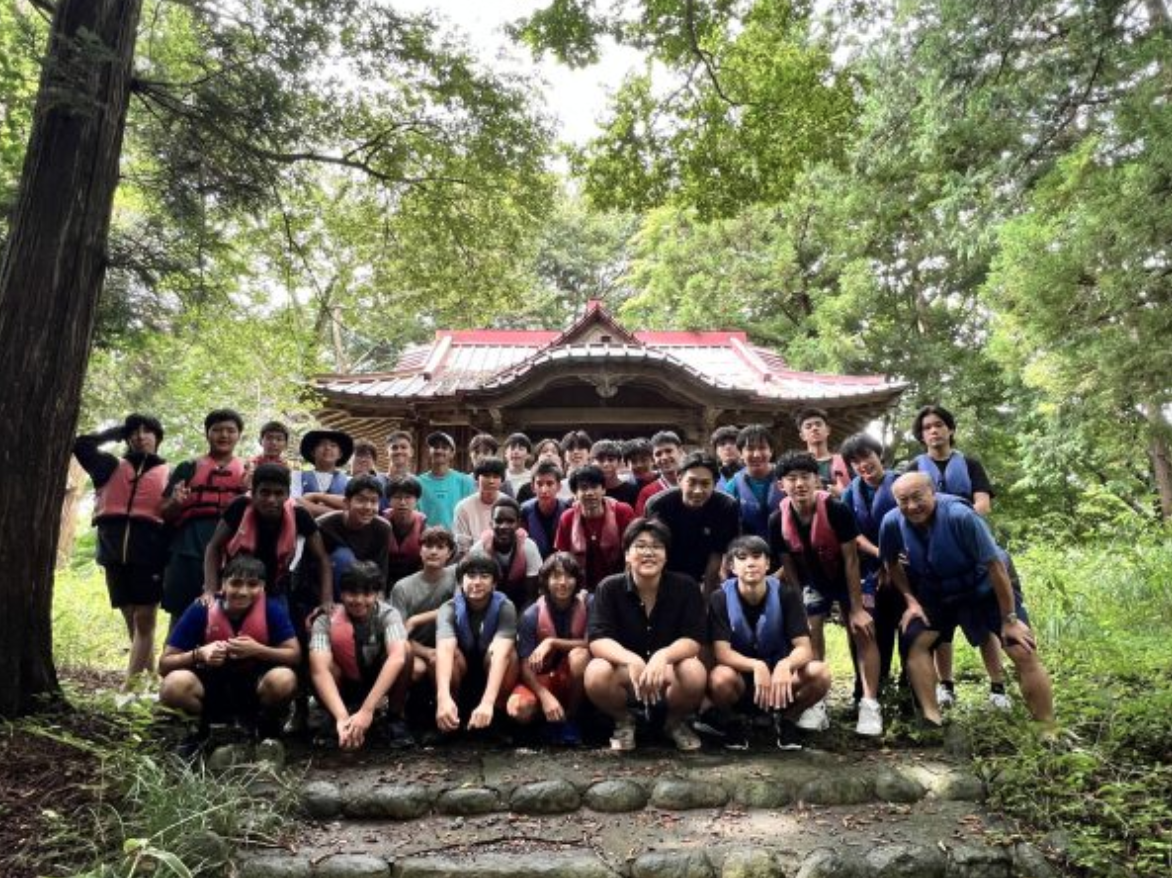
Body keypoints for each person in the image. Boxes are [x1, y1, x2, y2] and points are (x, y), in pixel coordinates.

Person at [879, 473, 1055, 726]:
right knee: (915, 641)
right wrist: (912, 602)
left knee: (1021, 647)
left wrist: (1010, 619)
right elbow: (890, 562)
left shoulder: (960, 516)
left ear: (933, 493)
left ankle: (1047, 727)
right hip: (938, 591)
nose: (911, 506)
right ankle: (931, 717)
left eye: (918, 497)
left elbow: (995, 566)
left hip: (985, 586)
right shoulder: (892, 522)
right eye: (903, 500)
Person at [769, 452, 883, 737]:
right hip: (813, 580)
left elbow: (851, 560)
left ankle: (870, 703)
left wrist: (856, 607)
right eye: (792, 479)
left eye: (805, 477)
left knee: (863, 631)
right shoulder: (776, 520)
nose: (799, 484)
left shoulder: (836, 509)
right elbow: (789, 568)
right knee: (810, 632)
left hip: (850, 577)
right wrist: (797, 611)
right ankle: (817, 704)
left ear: (816, 480)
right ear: (781, 485)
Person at [904, 404, 1004, 709]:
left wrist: (957, 526)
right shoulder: (914, 468)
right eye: (926, 427)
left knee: (985, 627)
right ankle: (945, 686)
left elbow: (983, 503)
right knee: (941, 631)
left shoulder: (970, 464)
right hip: (930, 560)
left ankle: (998, 688)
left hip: (969, 551)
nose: (933, 431)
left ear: (950, 429)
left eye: (938, 425)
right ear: (921, 435)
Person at [585, 518, 707, 752]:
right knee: (596, 671)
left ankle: (674, 723)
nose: (649, 553)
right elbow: (598, 639)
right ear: (627, 554)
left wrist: (663, 656)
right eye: (640, 546)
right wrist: (630, 659)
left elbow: (692, 639)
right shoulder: (609, 587)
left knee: (694, 670)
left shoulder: (686, 587)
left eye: (657, 547)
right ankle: (623, 720)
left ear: (666, 555)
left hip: (668, 674)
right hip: (625, 674)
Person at [705, 536, 832, 750]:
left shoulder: (786, 595)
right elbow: (721, 653)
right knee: (719, 677)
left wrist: (785, 665)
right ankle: (733, 721)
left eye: (757, 557)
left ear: (768, 563)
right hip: (741, 683)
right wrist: (756, 666)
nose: (751, 563)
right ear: (731, 566)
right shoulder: (720, 598)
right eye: (742, 558)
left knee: (819, 673)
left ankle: (788, 720)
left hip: (780, 684)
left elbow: (804, 648)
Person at [159, 555, 300, 740]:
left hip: (254, 687)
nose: (243, 591)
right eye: (235, 583)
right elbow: (164, 665)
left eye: (252, 584)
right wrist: (198, 654)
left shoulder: (271, 610)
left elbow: (294, 655)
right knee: (173, 685)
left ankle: (265, 726)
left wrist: (259, 650)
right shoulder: (201, 609)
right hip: (210, 686)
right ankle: (197, 728)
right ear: (223, 584)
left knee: (284, 679)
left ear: (262, 587)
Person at [73, 413, 169, 684]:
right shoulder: (108, 467)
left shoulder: (169, 472)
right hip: (113, 553)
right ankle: (148, 679)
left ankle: (129, 688)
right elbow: (81, 444)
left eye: (147, 431)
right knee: (132, 619)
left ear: (158, 438)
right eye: (134, 432)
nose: (141, 436)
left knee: (144, 619)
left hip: (149, 554)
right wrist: (116, 431)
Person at [309, 561, 411, 749]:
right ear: (341, 594)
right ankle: (334, 719)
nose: (359, 600)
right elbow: (319, 671)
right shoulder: (324, 620)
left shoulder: (389, 615)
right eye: (352, 593)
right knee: (323, 663)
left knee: (405, 650)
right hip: (343, 685)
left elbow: (396, 658)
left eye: (367, 593)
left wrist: (367, 710)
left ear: (377, 595)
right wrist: (342, 718)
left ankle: (395, 718)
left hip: (376, 682)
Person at [202, 463, 333, 610]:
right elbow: (213, 546)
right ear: (253, 493)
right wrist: (210, 591)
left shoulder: (299, 514)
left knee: (281, 628)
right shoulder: (239, 507)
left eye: (278, 493)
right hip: (236, 587)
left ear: (288, 494)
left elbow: (322, 558)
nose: (271, 499)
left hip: (275, 589)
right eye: (265, 492)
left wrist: (326, 600)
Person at [161, 409, 248, 625]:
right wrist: (175, 502)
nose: (224, 435)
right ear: (207, 434)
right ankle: (175, 655)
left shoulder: (249, 471)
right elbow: (165, 512)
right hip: (188, 546)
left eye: (230, 430)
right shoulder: (187, 468)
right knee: (182, 612)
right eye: (217, 430)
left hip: (232, 548)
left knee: (231, 612)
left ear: (239, 435)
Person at [839, 433, 903, 696]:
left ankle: (909, 692)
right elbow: (849, 534)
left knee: (909, 631)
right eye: (855, 461)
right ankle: (867, 688)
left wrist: (892, 562)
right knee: (871, 629)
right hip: (869, 571)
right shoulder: (849, 493)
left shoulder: (901, 483)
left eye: (867, 456)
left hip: (906, 568)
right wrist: (881, 555)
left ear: (880, 455)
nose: (862, 464)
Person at [506, 552, 591, 745]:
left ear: (577, 580)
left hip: (575, 680)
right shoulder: (531, 614)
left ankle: (572, 719)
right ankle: (545, 723)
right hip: (543, 679)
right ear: (546, 580)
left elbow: (594, 643)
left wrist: (552, 642)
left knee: (580, 655)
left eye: (569, 576)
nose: (563, 582)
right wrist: (544, 696)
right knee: (518, 708)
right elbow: (525, 665)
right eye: (556, 576)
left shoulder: (589, 604)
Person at [434, 553, 520, 734]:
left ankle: (497, 716)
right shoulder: (448, 609)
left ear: (494, 583)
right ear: (461, 582)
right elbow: (445, 649)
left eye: (484, 576)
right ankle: (452, 716)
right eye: (471, 576)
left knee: (510, 656)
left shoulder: (505, 607)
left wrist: (488, 703)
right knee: (441, 657)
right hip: (462, 675)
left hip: (491, 674)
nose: (477, 582)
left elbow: (502, 654)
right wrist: (443, 698)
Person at [645, 451, 741, 593]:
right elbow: (654, 549)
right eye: (692, 482)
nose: (697, 491)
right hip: (666, 570)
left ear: (715, 483)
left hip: (705, 571)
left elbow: (717, 552)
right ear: (679, 479)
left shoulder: (726, 506)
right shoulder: (658, 505)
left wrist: (707, 595)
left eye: (705, 484)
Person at [389, 526, 458, 714]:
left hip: (449, 643)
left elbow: (460, 604)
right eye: (428, 546)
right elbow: (398, 634)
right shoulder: (402, 587)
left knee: (446, 661)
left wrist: (417, 619)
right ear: (420, 550)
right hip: (415, 647)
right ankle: (404, 712)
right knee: (417, 669)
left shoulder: (457, 575)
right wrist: (426, 652)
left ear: (450, 552)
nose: (433, 551)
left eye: (440, 546)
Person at [554, 464, 636, 592]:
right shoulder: (567, 517)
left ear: (603, 489)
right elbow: (563, 558)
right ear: (575, 493)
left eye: (594, 487)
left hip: (621, 584)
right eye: (583, 488)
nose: (590, 493)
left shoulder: (622, 511)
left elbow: (633, 550)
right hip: (581, 587)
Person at [316, 474, 392, 586]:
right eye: (361, 500)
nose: (368, 507)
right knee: (342, 556)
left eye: (374, 501)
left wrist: (377, 600)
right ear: (347, 503)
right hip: (330, 583)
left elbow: (381, 570)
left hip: (364, 587)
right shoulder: (324, 525)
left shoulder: (383, 528)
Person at [474, 497, 542, 609]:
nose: (504, 527)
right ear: (491, 523)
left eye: (510, 521)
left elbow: (532, 595)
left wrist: (522, 620)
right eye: (499, 521)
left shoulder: (528, 547)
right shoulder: (479, 549)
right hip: (488, 602)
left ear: (519, 524)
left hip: (521, 601)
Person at [720, 424, 785, 539]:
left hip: (786, 549)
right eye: (750, 449)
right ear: (740, 453)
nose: (756, 454)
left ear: (771, 451)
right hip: (750, 550)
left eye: (762, 448)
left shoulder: (785, 477)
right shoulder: (734, 485)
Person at [417, 431, 475, 530]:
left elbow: (470, 514)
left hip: (457, 541)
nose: (439, 451)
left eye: (444, 448)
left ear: (452, 454)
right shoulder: (417, 483)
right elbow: (416, 517)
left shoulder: (465, 482)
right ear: (429, 452)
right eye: (435, 447)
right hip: (428, 541)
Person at [453, 456, 507, 555]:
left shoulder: (508, 505)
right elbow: (463, 547)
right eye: (486, 476)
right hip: (472, 561)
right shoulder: (463, 507)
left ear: (502, 480)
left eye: (496, 477)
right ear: (477, 478)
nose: (491, 481)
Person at [794, 407, 851, 496]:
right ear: (802, 436)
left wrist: (842, 493)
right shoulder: (796, 464)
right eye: (808, 427)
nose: (814, 428)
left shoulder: (844, 461)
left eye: (818, 424)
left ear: (828, 430)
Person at [383, 474, 428, 588]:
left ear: (416, 500)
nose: (402, 502)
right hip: (383, 577)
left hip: (413, 580)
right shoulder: (380, 522)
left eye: (408, 497)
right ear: (389, 500)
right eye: (397, 497)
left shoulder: (424, 525)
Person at [297, 429, 354, 518]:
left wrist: (316, 496)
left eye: (333, 445)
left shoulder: (350, 481)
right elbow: (295, 503)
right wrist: (340, 512)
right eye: (322, 444)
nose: (328, 448)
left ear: (340, 454)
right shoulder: (297, 477)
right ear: (313, 452)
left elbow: (352, 506)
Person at [520, 461, 568, 559]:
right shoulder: (524, 510)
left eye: (549, 484)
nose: (544, 490)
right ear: (533, 487)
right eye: (539, 484)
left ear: (559, 487)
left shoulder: (567, 508)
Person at [634, 430, 684, 515]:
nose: (664, 457)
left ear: (680, 451)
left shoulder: (697, 483)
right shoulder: (647, 493)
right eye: (658, 454)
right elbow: (641, 525)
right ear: (653, 459)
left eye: (668, 451)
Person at [592, 439, 641, 507]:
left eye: (611, 459)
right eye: (601, 460)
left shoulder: (632, 490)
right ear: (592, 462)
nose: (606, 464)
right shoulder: (589, 491)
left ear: (619, 462)